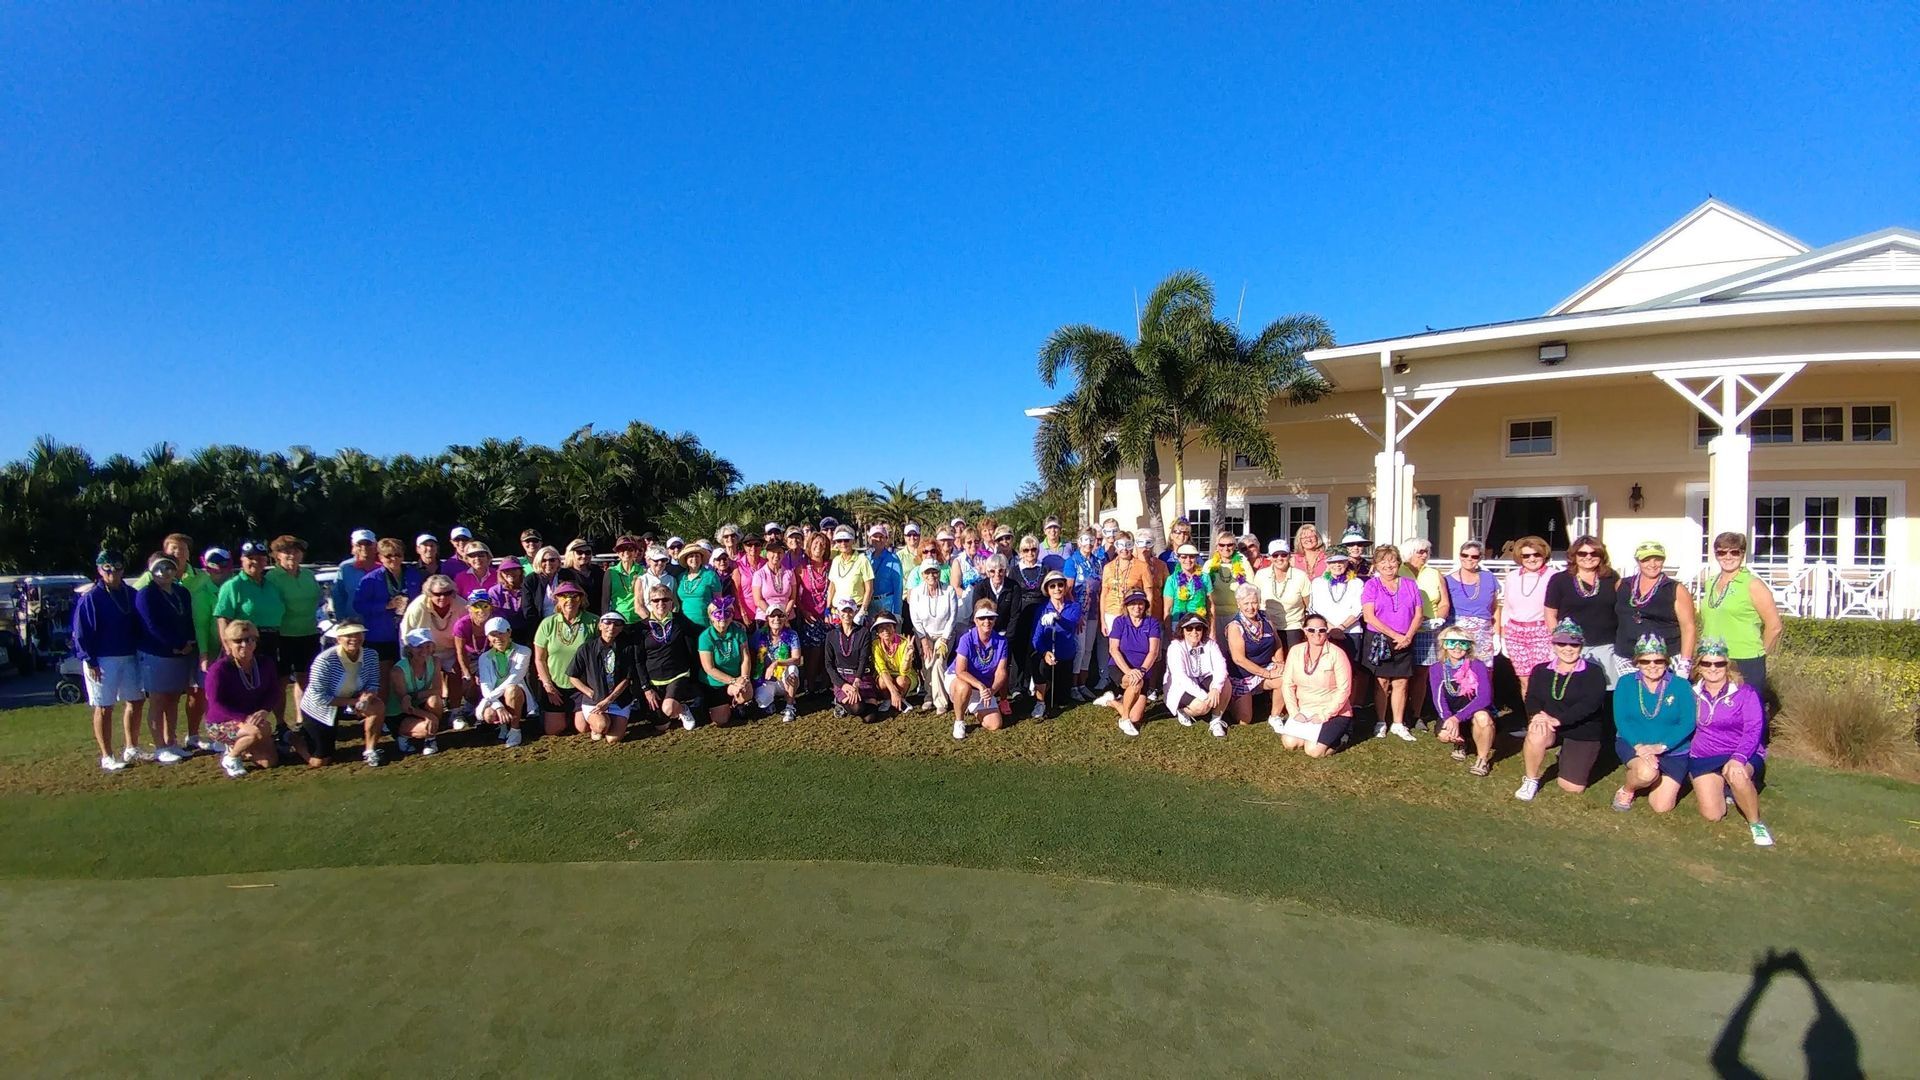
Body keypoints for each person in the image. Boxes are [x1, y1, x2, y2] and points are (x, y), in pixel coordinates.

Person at [1513, 619, 1613, 802]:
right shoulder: (1541, 670)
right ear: (1554, 645)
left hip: (1582, 728)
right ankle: (1531, 780)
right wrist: (1536, 716)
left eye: (1573, 644)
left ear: (1581, 645)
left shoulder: (1594, 672)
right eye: (1562, 643)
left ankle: (1567, 753)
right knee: (1536, 731)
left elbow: (1591, 704)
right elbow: (1532, 697)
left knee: (1571, 788)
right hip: (1548, 723)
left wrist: (1559, 720)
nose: (1568, 648)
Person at [1688, 637, 1774, 846]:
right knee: (1713, 814)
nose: (1713, 668)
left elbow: (1753, 729)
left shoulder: (1745, 692)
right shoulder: (1691, 693)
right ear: (1699, 666)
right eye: (1706, 663)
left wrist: (1739, 757)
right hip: (1704, 755)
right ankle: (1726, 787)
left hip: (1741, 752)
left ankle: (1756, 824)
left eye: (1719, 663)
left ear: (1728, 665)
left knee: (1736, 774)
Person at [74, 550, 150, 771]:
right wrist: (90, 660)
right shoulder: (91, 597)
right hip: (102, 658)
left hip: (130, 654)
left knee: (136, 700)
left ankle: (131, 747)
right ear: (99, 570)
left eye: (117, 568)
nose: (113, 573)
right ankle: (107, 755)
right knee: (104, 706)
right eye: (107, 568)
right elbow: (81, 632)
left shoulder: (131, 593)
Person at [1697, 531, 1784, 709]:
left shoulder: (1753, 584)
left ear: (1742, 554)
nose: (1728, 557)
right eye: (1722, 552)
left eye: (1734, 552)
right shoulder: (1711, 582)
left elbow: (1774, 626)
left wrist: (1758, 653)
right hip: (1712, 658)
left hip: (1745, 659)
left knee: (1746, 712)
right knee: (1714, 711)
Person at [1611, 633, 1697, 814]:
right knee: (1646, 773)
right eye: (1645, 661)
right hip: (1635, 743)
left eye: (1658, 661)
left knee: (1661, 807)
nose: (1652, 666)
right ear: (1637, 662)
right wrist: (1640, 747)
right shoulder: (1626, 683)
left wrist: (1662, 746)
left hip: (1673, 749)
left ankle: (1659, 777)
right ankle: (1628, 790)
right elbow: (1622, 719)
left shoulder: (1681, 685)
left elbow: (1688, 722)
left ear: (1666, 662)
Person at [134, 554, 199, 763]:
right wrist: (177, 645)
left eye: (169, 567)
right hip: (156, 653)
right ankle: (160, 747)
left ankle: (171, 742)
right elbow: (152, 626)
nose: (164, 572)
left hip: (180, 654)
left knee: (173, 699)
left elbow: (188, 620)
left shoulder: (181, 592)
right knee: (158, 700)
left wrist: (188, 642)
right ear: (151, 570)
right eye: (159, 568)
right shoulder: (146, 594)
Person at [295, 621, 386, 768]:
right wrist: (355, 701)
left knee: (377, 706)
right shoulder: (324, 660)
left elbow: (373, 684)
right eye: (348, 635)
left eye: (358, 634)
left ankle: (370, 751)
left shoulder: (371, 655)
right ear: (338, 639)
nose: (354, 638)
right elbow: (320, 698)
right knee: (319, 762)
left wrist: (367, 697)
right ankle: (293, 738)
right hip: (319, 709)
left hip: (351, 702)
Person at [202, 619, 281, 777]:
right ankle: (232, 757)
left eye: (250, 639)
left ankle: (243, 746)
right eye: (238, 641)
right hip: (221, 722)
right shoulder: (219, 669)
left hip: (253, 719)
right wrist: (243, 718)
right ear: (228, 643)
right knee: (256, 731)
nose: (245, 645)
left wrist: (264, 710)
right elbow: (215, 703)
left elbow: (274, 691)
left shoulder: (265, 663)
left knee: (269, 762)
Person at [1360, 544, 1422, 742]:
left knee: (1402, 682)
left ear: (1398, 562)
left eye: (1392, 560)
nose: (1388, 565)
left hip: (1406, 639)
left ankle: (1398, 723)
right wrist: (1394, 635)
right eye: (1383, 561)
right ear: (1376, 565)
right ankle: (1380, 721)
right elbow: (1369, 616)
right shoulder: (1371, 585)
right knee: (1382, 682)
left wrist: (1408, 636)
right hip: (1380, 639)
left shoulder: (1411, 584)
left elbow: (1418, 614)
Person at [1544, 535, 1622, 691]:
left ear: (1601, 556)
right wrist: (1561, 642)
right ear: (1574, 555)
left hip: (1606, 645)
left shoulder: (1611, 577)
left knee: (1606, 691)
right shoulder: (1559, 580)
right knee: (1573, 690)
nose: (1588, 557)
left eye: (1594, 553)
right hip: (1572, 646)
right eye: (1582, 553)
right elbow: (1550, 613)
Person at [1614, 541, 1698, 682]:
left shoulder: (1675, 589)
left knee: (1664, 699)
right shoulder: (1622, 585)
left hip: (1664, 658)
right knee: (1635, 697)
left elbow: (1688, 627)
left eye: (1657, 559)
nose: (1652, 564)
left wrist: (1685, 664)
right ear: (1638, 561)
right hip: (1627, 655)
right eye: (1646, 560)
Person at [1276, 613, 1353, 758]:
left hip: (1333, 712)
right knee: (1289, 743)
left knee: (1313, 751)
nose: (1316, 634)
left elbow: (1345, 689)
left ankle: (1344, 737)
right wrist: (1294, 712)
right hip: (1304, 710)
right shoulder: (1295, 651)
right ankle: (1312, 735)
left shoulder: (1337, 654)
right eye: (1311, 630)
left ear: (1327, 632)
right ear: (1304, 631)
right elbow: (1288, 684)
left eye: (1322, 630)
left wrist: (1324, 715)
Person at [1095, 589, 1162, 736]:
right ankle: (1124, 719)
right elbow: (1113, 649)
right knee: (1135, 683)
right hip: (1120, 668)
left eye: (1140, 603)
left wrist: (1142, 670)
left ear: (1145, 605)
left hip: (1142, 671)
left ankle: (1112, 701)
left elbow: (1153, 652)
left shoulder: (1152, 623)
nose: (1136, 607)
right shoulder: (1120, 621)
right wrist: (1129, 671)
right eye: (1132, 603)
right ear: (1126, 606)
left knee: (1136, 717)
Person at [266, 535, 324, 702]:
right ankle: (281, 724)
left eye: (296, 551)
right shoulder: (271, 578)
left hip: (309, 633)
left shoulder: (308, 575)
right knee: (281, 681)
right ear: (277, 555)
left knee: (306, 679)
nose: (292, 555)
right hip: (282, 636)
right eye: (287, 552)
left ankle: (302, 720)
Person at [1430, 626, 1496, 775]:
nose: (1457, 647)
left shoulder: (1477, 665)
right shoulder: (1436, 668)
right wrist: (1448, 719)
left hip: (1473, 711)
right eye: (1452, 642)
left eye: (1463, 643)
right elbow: (1438, 699)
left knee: (1483, 718)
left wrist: (1457, 718)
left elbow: (1485, 697)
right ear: (1444, 645)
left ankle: (1482, 759)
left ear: (1469, 646)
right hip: (1452, 713)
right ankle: (1462, 743)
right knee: (1444, 735)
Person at [636, 585, 703, 731]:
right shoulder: (642, 627)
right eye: (656, 600)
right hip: (654, 680)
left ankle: (683, 709)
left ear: (672, 602)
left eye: (665, 599)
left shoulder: (680, 621)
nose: (661, 603)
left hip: (678, 675)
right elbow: (639, 661)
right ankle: (675, 708)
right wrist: (646, 688)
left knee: (668, 708)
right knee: (662, 726)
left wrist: (730, 626)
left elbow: (701, 631)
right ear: (650, 602)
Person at [1401, 538, 1452, 725]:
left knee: (1422, 672)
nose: (1424, 555)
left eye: (1426, 552)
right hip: (1403, 629)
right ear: (1409, 552)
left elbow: (1444, 602)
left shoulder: (1434, 573)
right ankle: (1400, 712)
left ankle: (1416, 713)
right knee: (1402, 673)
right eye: (1420, 551)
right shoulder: (1399, 571)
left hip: (1427, 630)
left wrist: (1439, 618)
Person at [1501, 534, 1558, 700]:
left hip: (1542, 631)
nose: (1531, 559)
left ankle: (1547, 720)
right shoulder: (1512, 577)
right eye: (1526, 555)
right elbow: (1507, 607)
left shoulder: (1554, 576)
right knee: (1524, 680)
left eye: (1536, 554)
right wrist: (1503, 632)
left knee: (1542, 679)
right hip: (1515, 633)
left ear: (1544, 555)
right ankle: (1532, 720)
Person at [353, 537, 423, 670]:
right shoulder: (370, 579)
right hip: (380, 635)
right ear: (380, 557)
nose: (394, 559)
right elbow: (359, 606)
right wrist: (385, 606)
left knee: (408, 675)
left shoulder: (413, 575)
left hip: (409, 633)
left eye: (398, 555)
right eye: (388, 556)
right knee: (383, 678)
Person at [1224, 583, 1286, 729]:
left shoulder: (1265, 617)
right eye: (1246, 603)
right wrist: (1267, 674)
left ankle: (1275, 716)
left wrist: (1280, 662)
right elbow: (1239, 659)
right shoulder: (1234, 626)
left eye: (1254, 602)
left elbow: (1276, 641)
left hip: (1266, 668)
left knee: (1286, 678)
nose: (1250, 607)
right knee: (1245, 720)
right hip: (1243, 675)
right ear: (1238, 604)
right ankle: (1229, 702)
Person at [533, 581, 590, 737]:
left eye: (574, 596)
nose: (569, 601)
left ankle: (576, 716)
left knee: (583, 728)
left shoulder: (593, 621)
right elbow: (539, 659)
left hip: (582, 686)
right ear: (557, 599)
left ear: (581, 599)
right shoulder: (547, 624)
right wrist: (548, 685)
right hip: (555, 685)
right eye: (564, 596)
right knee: (554, 730)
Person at [568, 611, 636, 742]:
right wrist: (590, 693)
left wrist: (608, 701)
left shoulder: (626, 649)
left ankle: (609, 721)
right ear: (600, 626)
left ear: (621, 628)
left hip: (618, 701)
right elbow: (573, 676)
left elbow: (626, 679)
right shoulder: (586, 648)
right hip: (594, 700)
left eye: (617, 624)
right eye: (607, 623)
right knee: (601, 726)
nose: (611, 627)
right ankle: (598, 726)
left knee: (613, 739)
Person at [213, 540, 286, 661]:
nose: (256, 562)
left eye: (260, 558)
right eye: (250, 558)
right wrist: (229, 647)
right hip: (245, 642)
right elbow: (223, 619)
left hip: (272, 641)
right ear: (242, 559)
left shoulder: (272, 586)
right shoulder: (233, 585)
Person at [948, 599, 1010, 740]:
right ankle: (959, 721)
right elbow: (960, 671)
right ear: (975, 620)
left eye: (990, 617)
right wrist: (980, 686)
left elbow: (1001, 671)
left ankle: (971, 705)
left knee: (995, 724)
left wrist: (992, 691)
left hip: (983, 686)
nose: (986, 621)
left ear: (995, 620)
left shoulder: (1002, 642)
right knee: (964, 688)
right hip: (962, 680)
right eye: (982, 617)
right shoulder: (966, 639)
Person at [401, 574, 465, 705]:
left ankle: (456, 710)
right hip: (424, 650)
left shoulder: (462, 605)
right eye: (437, 594)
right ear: (429, 593)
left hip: (452, 649)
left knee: (456, 672)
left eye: (447, 593)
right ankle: (422, 707)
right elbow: (407, 637)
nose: (442, 597)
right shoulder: (417, 607)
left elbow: (467, 632)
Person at [1166, 614, 1230, 738]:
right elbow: (1181, 677)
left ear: (1203, 630)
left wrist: (1216, 688)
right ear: (1182, 630)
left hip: (1204, 680)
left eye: (1198, 628)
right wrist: (1206, 697)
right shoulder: (1175, 647)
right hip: (1181, 686)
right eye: (1189, 628)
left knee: (1225, 683)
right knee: (1202, 707)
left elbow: (1221, 666)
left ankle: (1216, 720)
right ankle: (1183, 711)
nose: (1194, 632)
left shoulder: (1210, 644)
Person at [1027, 570, 1080, 720]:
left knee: (1062, 700)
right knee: (1039, 664)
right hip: (1048, 654)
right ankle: (1040, 701)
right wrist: (1044, 652)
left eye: (1060, 585)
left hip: (1065, 655)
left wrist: (1058, 618)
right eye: (1052, 586)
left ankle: (1050, 689)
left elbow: (1070, 625)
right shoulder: (1042, 609)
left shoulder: (1074, 606)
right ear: (1047, 590)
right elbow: (1036, 637)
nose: (1057, 589)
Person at [907, 560, 958, 713]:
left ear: (939, 573)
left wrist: (944, 639)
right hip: (924, 634)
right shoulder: (916, 592)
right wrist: (923, 640)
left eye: (934, 572)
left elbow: (952, 617)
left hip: (945, 634)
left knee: (938, 662)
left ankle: (941, 701)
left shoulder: (949, 590)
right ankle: (929, 696)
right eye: (927, 572)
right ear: (922, 575)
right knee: (927, 664)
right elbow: (915, 618)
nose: (931, 575)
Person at [474, 616, 533, 746]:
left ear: (509, 633)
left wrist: (486, 700)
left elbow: (514, 678)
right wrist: (498, 706)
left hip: (517, 696)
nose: (498, 638)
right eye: (493, 635)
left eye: (501, 633)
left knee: (511, 688)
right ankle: (503, 726)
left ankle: (515, 729)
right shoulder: (484, 658)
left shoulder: (524, 651)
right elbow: (485, 686)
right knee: (489, 715)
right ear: (488, 638)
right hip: (496, 699)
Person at [386, 628, 444, 756]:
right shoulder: (398, 670)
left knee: (435, 700)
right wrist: (428, 715)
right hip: (399, 713)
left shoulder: (435, 662)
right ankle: (402, 736)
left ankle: (430, 740)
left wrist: (413, 696)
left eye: (428, 646)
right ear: (409, 649)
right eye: (419, 646)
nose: (424, 650)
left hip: (417, 705)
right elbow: (405, 706)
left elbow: (438, 690)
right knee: (425, 728)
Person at [697, 597, 753, 726]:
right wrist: (733, 681)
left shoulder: (738, 632)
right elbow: (709, 668)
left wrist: (744, 678)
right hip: (714, 683)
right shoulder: (705, 637)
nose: (723, 618)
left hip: (736, 679)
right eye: (717, 614)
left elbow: (746, 657)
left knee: (747, 691)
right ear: (710, 617)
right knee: (721, 720)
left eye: (727, 613)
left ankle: (737, 703)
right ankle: (724, 705)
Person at [1443, 540, 1502, 661]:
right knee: (1458, 671)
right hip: (1457, 632)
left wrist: (1497, 635)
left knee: (1484, 672)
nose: (1469, 559)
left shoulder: (1489, 577)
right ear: (1460, 556)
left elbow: (1495, 608)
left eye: (1474, 556)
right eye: (1465, 555)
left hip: (1483, 631)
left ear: (1480, 558)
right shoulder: (1447, 580)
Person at [1062, 529, 1103, 700]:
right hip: (1079, 612)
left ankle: (1082, 684)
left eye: (1091, 540)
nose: (1088, 543)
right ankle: (1073, 686)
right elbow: (1068, 590)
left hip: (1094, 611)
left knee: (1087, 649)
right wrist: (1076, 614)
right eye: (1084, 540)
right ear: (1078, 542)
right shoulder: (1072, 562)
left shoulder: (1098, 562)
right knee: (1079, 649)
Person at [1309, 550, 1364, 672]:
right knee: (1325, 670)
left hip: (1350, 632)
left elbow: (1359, 609)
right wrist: (1331, 628)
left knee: (1350, 670)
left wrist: (1341, 628)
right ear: (1327, 564)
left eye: (1341, 561)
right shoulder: (1318, 583)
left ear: (1346, 562)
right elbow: (1313, 608)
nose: (1337, 565)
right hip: (1325, 632)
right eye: (1333, 562)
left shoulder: (1356, 583)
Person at [1256, 538, 1312, 648]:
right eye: (1275, 555)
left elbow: (1308, 605)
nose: (1279, 558)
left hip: (1293, 626)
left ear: (1289, 556)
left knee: (1293, 660)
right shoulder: (1261, 575)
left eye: (1283, 555)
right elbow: (1256, 601)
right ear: (1270, 557)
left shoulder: (1300, 576)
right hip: (1268, 625)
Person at [825, 597, 876, 719]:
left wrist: (857, 682)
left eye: (850, 611)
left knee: (870, 718)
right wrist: (843, 685)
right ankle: (841, 701)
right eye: (844, 611)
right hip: (842, 678)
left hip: (861, 678)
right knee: (857, 708)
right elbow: (828, 664)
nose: (847, 615)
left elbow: (863, 659)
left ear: (854, 612)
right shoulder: (831, 635)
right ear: (838, 612)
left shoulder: (864, 632)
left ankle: (858, 700)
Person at [796, 533, 833, 694]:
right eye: (815, 544)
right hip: (809, 616)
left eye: (822, 544)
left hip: (828, 615)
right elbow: (794, 594)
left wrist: (829, 609)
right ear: (809, 546)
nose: (819, 547)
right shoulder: (801, 568)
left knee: (828, 650)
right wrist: (803, 612)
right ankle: (809, 686)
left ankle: (826, 685)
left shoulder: (831, 566)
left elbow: (833, 587)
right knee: (813, 652)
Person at [752, 605, 803, 723]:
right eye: (773, 615)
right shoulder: (759, 634)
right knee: (762, 701)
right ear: (767, 619)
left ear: (785, 619)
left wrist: (776, 663)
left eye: (780, 615)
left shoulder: (792, 634)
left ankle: (790, 706)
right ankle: (771, 701)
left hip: (784, 679)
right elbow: (748, 650)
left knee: (792, 669)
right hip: (767, 680)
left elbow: (797, 659)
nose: (776, 619)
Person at [1204, 531, 1254, 643]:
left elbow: (1252, 589)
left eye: (1230, 545)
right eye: (1222, 545)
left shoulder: (1243, 564)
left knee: (1237, 648)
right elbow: (1203, 590)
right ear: (1217, 547)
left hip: (1236, 615)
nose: (1226, 548)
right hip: (1215, 616)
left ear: (1235, 546)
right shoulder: (1209, 565)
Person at [451, 590, 494, 714]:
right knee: (466, 679)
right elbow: (460, 651)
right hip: (469, 656)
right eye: (476, 607)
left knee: (485, 676)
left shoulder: (496, 621)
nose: (481, 611)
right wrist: (467, 673)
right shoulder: (462, 625)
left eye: (485, 606)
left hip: (490, 655)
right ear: (469, 608)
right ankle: (467, 704)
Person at [870, 613, 917, 715]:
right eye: (881, 628)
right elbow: (881, 669)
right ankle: (888, 699)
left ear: (894, 628)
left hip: (904, 674)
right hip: (886, 675)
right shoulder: (875, 645)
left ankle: (901, 698)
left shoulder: (904, 643)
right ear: (877, 632)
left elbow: (903, 671)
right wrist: (893, 691)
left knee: (902, 680)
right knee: (882, 680)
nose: (885, 631)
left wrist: (908, 657)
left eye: (888, 626)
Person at [331, 528, 379, 622]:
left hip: (380, 622)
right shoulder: (345, 567)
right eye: (359, 544)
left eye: (368, 544)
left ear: (375, 546)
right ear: (353, 546)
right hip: (354, 622)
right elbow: (339, 596)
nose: (364, 548)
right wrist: (342, 620)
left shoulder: (384, 566)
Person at [825, 527, 873, 617]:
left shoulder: (863, 560)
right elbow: (832, 586)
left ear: (852, 541)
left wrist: (863, 610)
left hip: (856, 611)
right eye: (839, 541)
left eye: (846, 540)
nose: (843, 543)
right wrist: (828, 607)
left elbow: (869, 589)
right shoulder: (836, 560)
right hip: (837, 611)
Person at [676, 543, 725, 630]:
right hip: (684, 624)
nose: (694, 559)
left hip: (705, 624)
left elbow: (718, 602)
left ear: (701, 559)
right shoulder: (681, 577)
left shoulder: (710, 575)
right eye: (691, 556)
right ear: (686, 559)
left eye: (697, 556)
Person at [488, 559, 534, 645]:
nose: (510, 573)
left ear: (520, 571)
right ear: (501, 573)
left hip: (527, 631)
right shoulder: (495, 591)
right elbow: (495, 614)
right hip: (503, 632)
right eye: (506, 570)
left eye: (514, 569)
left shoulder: (529, 588)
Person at [752, 543, 799, 628]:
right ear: (767, 554)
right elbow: (758, 600)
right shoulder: (759, 574)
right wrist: (773, 615)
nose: (776, 555)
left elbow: (793, 598)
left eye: (779, 552)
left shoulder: (789, 573)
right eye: (773, 552)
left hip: (787, 618)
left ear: (783, 554)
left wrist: (784, 615)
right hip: (765, 618)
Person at [1163, 544, 1210, 629]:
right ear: (1179, 558)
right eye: (1184, 557)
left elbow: (1210, 606)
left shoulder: (1205, 577)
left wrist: (1212, 630)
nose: (1188, 560)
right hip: (1178, 623)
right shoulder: (1171, 580)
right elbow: (1167, 609)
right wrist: (1168, 632)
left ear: (1196, 558)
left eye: (1192, 557)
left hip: (1200, 622)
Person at [603, 535, 646, 624]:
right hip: (617, 620)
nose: (626, 552)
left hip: (639, 620)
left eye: (630, 549)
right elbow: (605, 600)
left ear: (635, 552)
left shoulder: (642, 571)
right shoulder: (611, 572)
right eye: (622, 549)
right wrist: (604, 620)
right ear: (618, 553)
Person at [866, 525, 904, 618]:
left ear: (886, 539)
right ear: (870, 538)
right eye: (875, 536)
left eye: (881, 537)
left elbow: (898, 587)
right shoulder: (866, 559)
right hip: (870, 603)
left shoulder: (893, 558)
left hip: (887, 602)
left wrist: (897, 612)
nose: (878, 539)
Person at [522, 545, 566, 619]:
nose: (548, 563)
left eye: (552, 560)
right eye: (543, 560)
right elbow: (528, 609)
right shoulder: (530, 580)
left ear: (558, 562)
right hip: (540, 624)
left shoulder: (567, 576)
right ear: (538, 562)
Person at [563, 539, 603, 610]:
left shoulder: (598, 571)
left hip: (597, 615)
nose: (584, 556)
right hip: (576, 614)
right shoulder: (565, 574)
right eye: (579, 552)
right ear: (571, 554)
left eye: (588, 552)